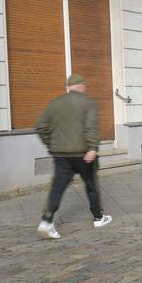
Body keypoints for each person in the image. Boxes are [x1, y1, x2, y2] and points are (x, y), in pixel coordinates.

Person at [35, 74, 112, 240]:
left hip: (61, 156)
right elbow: (91, 127)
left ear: (69, 88)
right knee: (91, 184)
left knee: (57, 187)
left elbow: (40, 127)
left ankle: (46, 221)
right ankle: (98, 218)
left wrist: (50, 145)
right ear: (82, 86)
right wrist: (92, 148)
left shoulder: (55, 104)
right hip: (84, 154)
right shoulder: (88, 102)